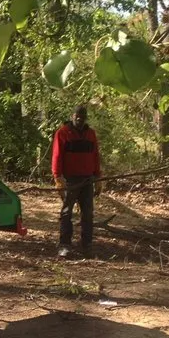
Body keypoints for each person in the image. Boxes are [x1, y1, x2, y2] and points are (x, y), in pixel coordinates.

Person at [51, 104, 101, 258]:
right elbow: (57, 156)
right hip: (70, 180)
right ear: (72, 116)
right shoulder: (63, 133)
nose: (79, 120)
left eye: (82, 117)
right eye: (77, 116)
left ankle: (87, 245)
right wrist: (58, 178)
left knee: (88, 214)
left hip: (87, 180)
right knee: (67, 212)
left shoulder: (90, 134)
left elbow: (95, 156)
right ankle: (64, 245)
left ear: (85, 119)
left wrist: (98, 177)